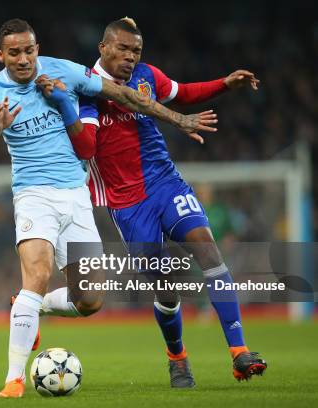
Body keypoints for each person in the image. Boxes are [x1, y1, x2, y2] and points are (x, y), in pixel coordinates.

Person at [0, 18, 217, 398]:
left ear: (37, 47)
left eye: (29, 50)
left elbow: (125, 95)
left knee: (90, 300)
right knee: (37, 273)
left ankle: (28, 307)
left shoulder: (64, 71)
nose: (23, 59)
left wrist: (178, 118)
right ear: (1, 55)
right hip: (34, 195)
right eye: (14, 53)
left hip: (76, 196)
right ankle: (13, 379)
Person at [51, 17, 267, 387]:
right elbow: (85, 144)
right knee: (165, 285)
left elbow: (181, 93)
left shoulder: (146, 75)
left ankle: (238, 351)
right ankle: (177, 358)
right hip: (127, 203)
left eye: (136, 51)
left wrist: (224, 85)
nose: (131, 57)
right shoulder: (86, 89)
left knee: (207, 248)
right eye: (123, 48)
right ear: (103, 48)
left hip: (165, 182)